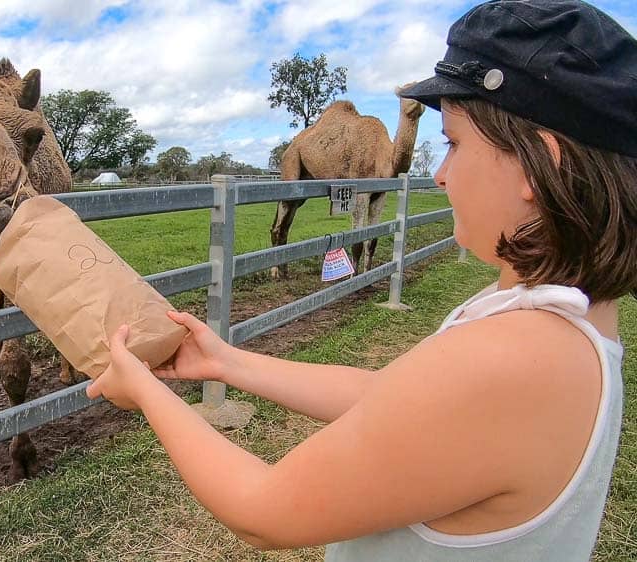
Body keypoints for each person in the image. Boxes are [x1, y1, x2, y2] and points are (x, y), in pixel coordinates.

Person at [85, 1, 636, 559]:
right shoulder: (561, 324)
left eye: (454, 143)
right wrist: (225, 362)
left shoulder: (513, 360)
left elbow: (262, 508)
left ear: (538, 164)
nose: (441, 175)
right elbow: (393, 399)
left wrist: (146, 391)